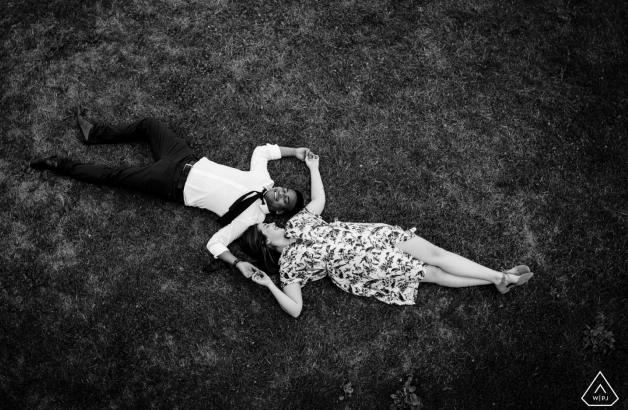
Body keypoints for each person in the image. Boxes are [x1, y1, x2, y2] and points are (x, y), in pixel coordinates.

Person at [241, 152, 533, 317]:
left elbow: (318, 202)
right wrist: (268, 283)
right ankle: (499, 277)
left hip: (376, 236)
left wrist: (313, 168)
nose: (272, 224)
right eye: (265, 227)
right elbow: (295, 309)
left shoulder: (296, 223)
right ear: (264, 241)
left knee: (437, 256)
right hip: (367, 266)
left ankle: (499, 279)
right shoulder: (289, 267)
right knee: (432, 273)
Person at [30, 107, 307, 276]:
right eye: (285, 189)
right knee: (149, 124)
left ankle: (60, 164)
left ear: (280, 210)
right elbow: (262, 151)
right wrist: (294, 151)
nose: (281, 192)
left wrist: (236, 264)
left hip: (170, 182)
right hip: (185, 157)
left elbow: (215, 244)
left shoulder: (251, 220)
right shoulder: (264, 179)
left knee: (113, 175)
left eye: (285, 198)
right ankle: (94, 134)